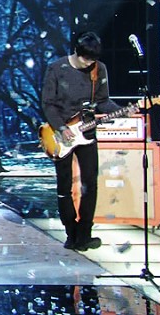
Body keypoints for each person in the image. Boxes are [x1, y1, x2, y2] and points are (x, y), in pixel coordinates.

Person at [41, 31, 120, 251]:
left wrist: (122, 110)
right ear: (76, 52)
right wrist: (61, 127)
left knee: (90, 184)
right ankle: (71, 233)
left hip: (87, 132)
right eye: (85, 60)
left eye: (92, 60)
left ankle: (85, 233)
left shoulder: (99, 69)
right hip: (60, 134)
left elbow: (103, 101)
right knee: (64, 186)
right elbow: (47, 103)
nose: (88, 64)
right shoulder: (56, 68)